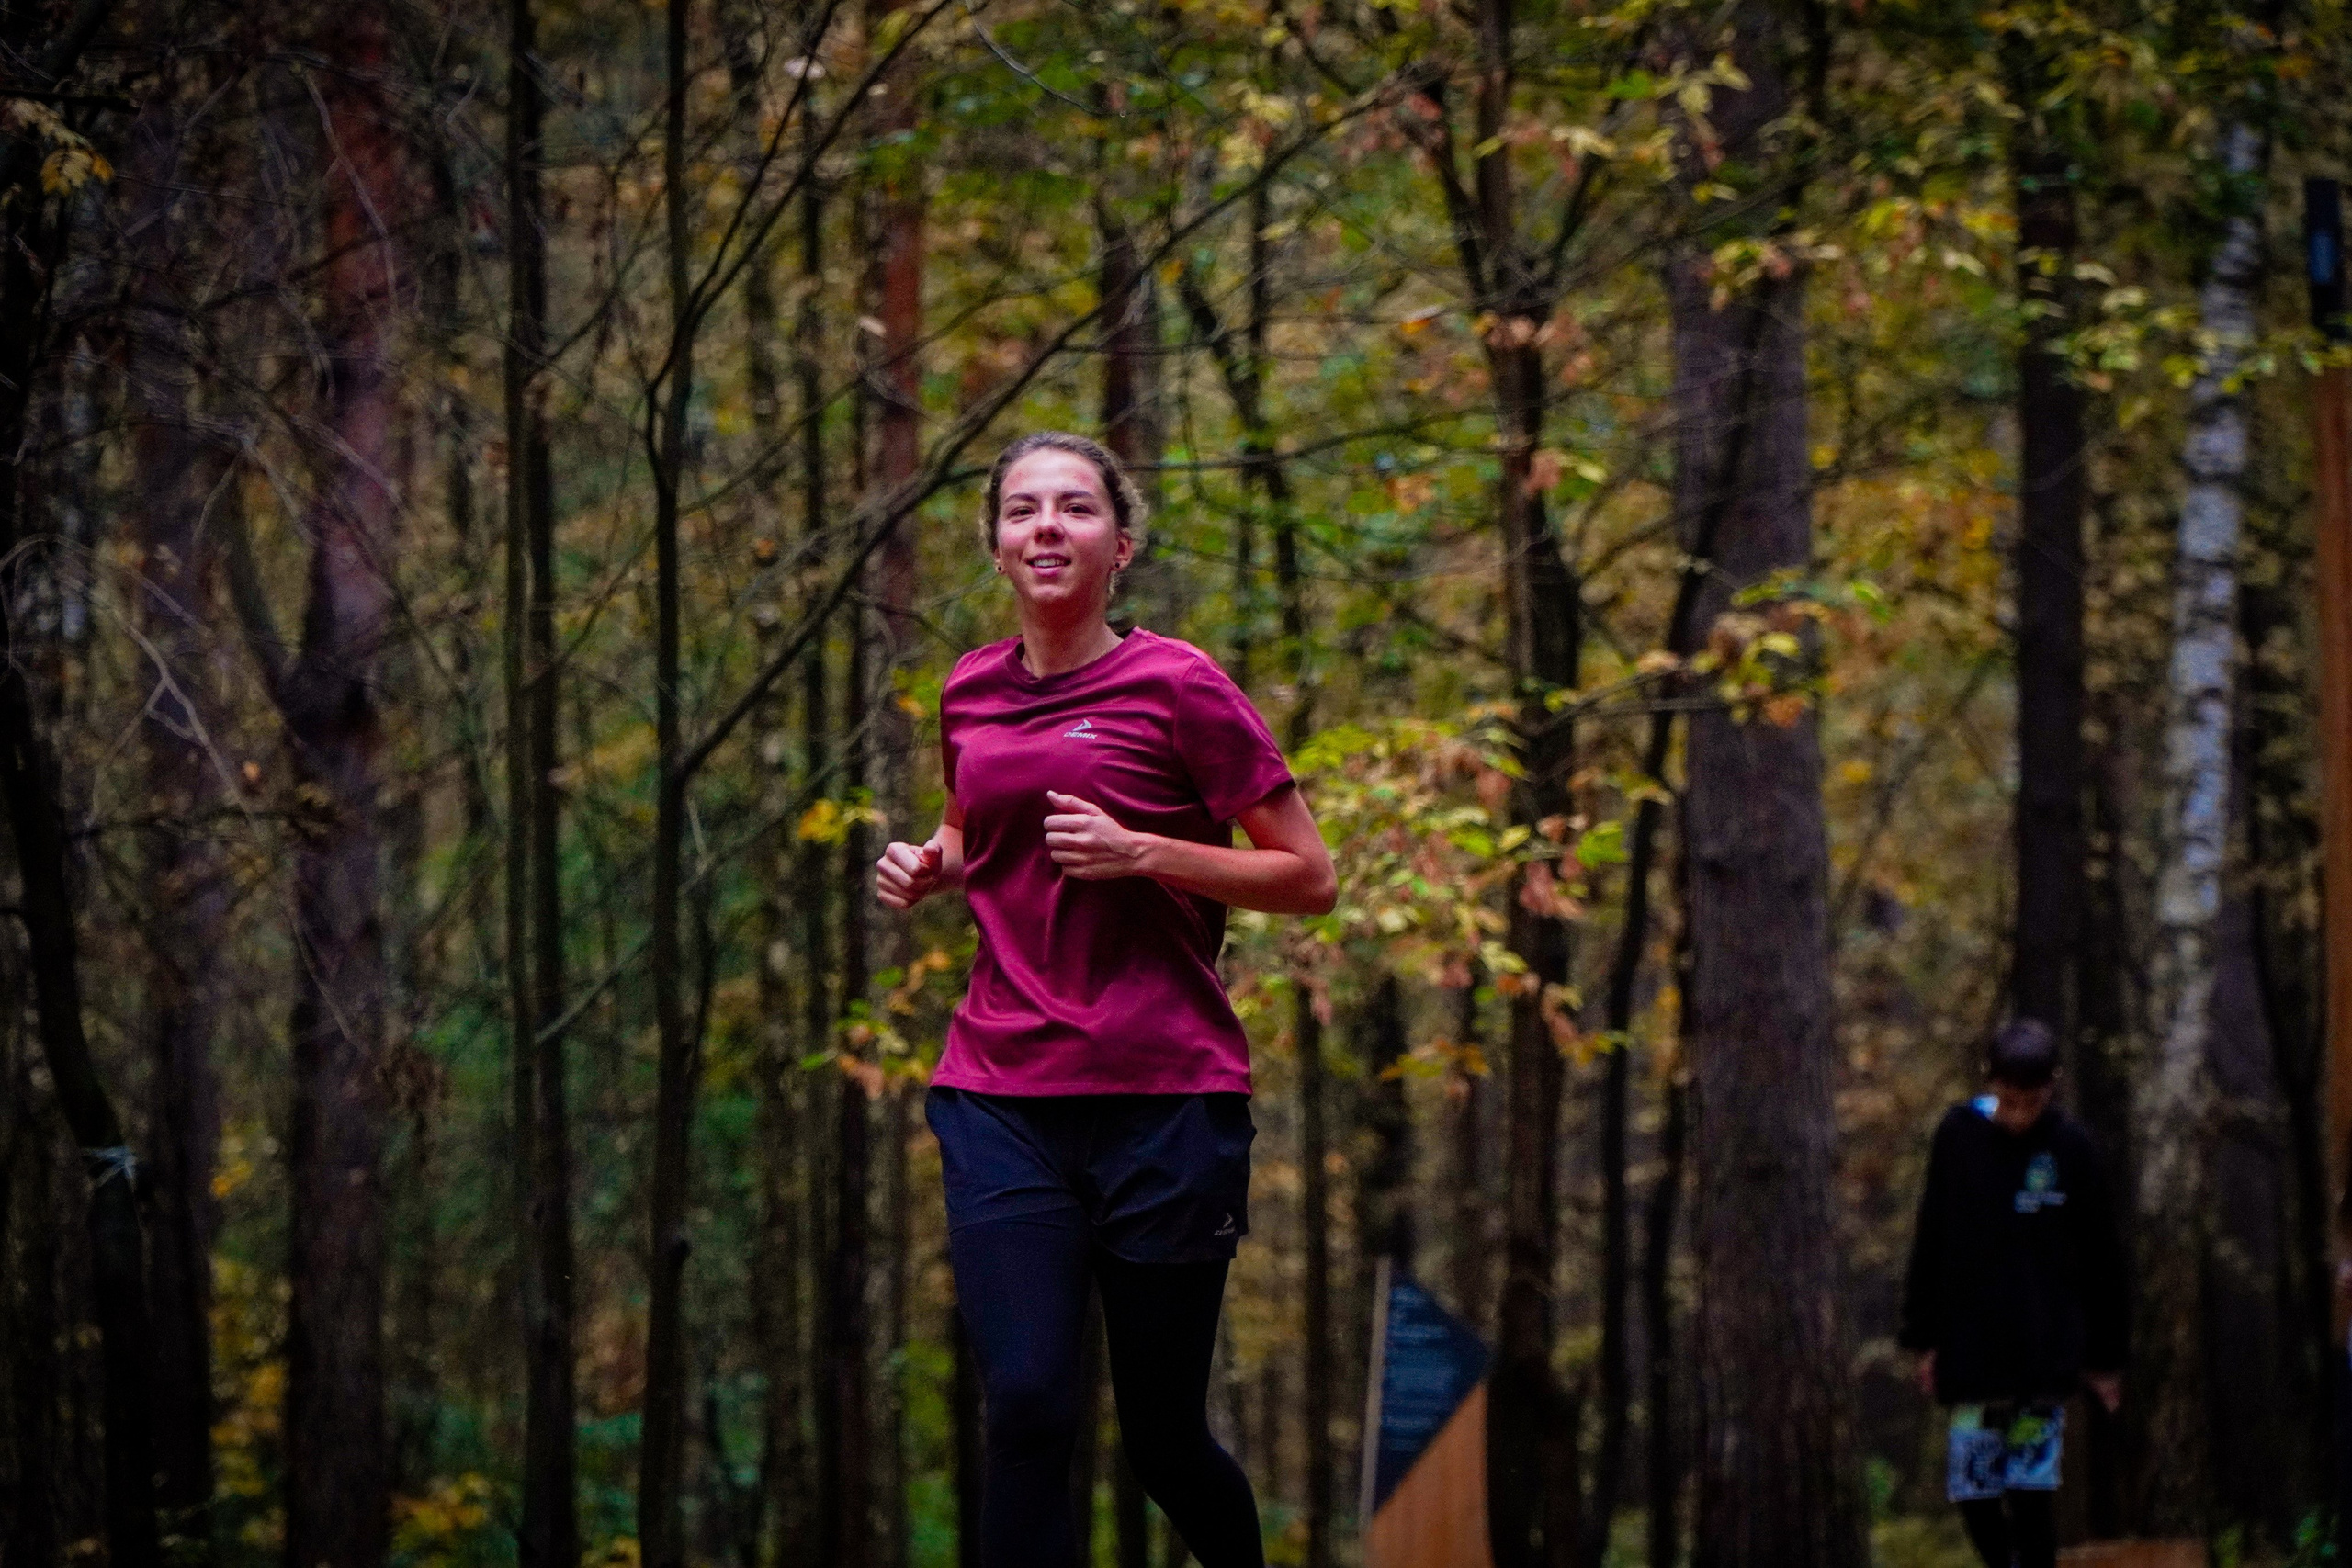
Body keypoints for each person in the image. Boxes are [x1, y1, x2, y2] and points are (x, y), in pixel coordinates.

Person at [875, 430, 1337, 1568]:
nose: (1046, 527)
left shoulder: (1178, 684)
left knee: (1165, 1437)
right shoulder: (971, 687)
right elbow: (974, 817)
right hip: (1000, 1091)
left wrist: (1147, 856)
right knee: (1027, 1404)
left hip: (1165, 1095)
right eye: (1023, 510)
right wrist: (932, 860)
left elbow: (1308, 877)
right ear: (996, 543)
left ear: (1118, 545)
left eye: (1074, 509)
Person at [1899, 1018, 2128, 1568]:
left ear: (2052, 1086)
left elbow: (2103, 1260)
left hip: (2043, 1351)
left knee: (2031, 1491)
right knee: (1975, 1490)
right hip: (1971, 1349)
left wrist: (2105, 1359)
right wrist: (1924, 1338)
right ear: (1992, 1084)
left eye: (2033, 1100)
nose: (2022, 1113)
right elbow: (1932, 1236)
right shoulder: (1958, 1136)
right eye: (2011, 1099)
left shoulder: (2073, 1149)